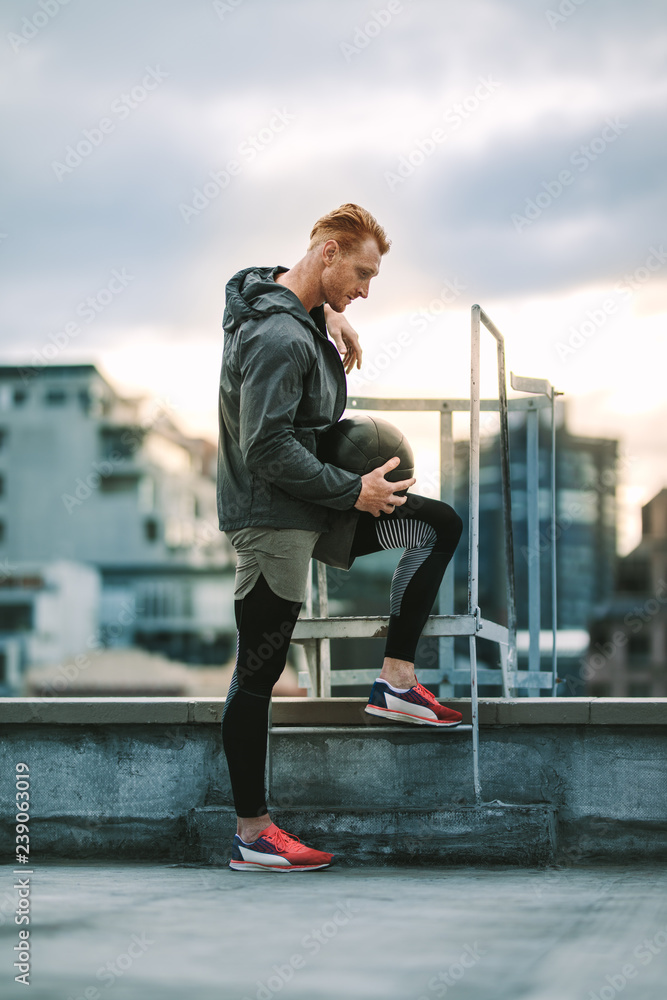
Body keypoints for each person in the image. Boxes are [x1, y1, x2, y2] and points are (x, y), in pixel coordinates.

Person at [217, 203, 463, 872]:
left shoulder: (284, 313)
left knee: (436, 523)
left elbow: (256, 280)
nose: (363, 290)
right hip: (273, 519)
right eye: (359, 274)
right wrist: (354, 491)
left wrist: (319, 311)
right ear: (327, 253)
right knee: (259, 673)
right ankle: (252, 833)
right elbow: (265, 446)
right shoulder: (278, 338)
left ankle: (395, 680)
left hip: (308, 505)